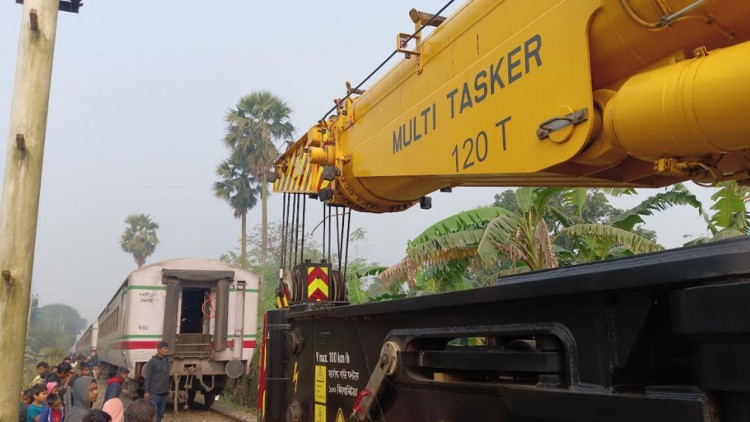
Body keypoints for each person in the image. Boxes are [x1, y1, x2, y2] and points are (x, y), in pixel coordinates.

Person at [143, 341, 172, 422]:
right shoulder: (152, 362)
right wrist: (146, 391)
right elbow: (148, 377)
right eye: (164, 349)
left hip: (163, 393)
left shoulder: (167, 361)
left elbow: (167, 377)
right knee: (152, 413)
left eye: (167, 349)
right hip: (154, 393)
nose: (166, 351)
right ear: (158, 350)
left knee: (160, 414)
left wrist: (169, 389)